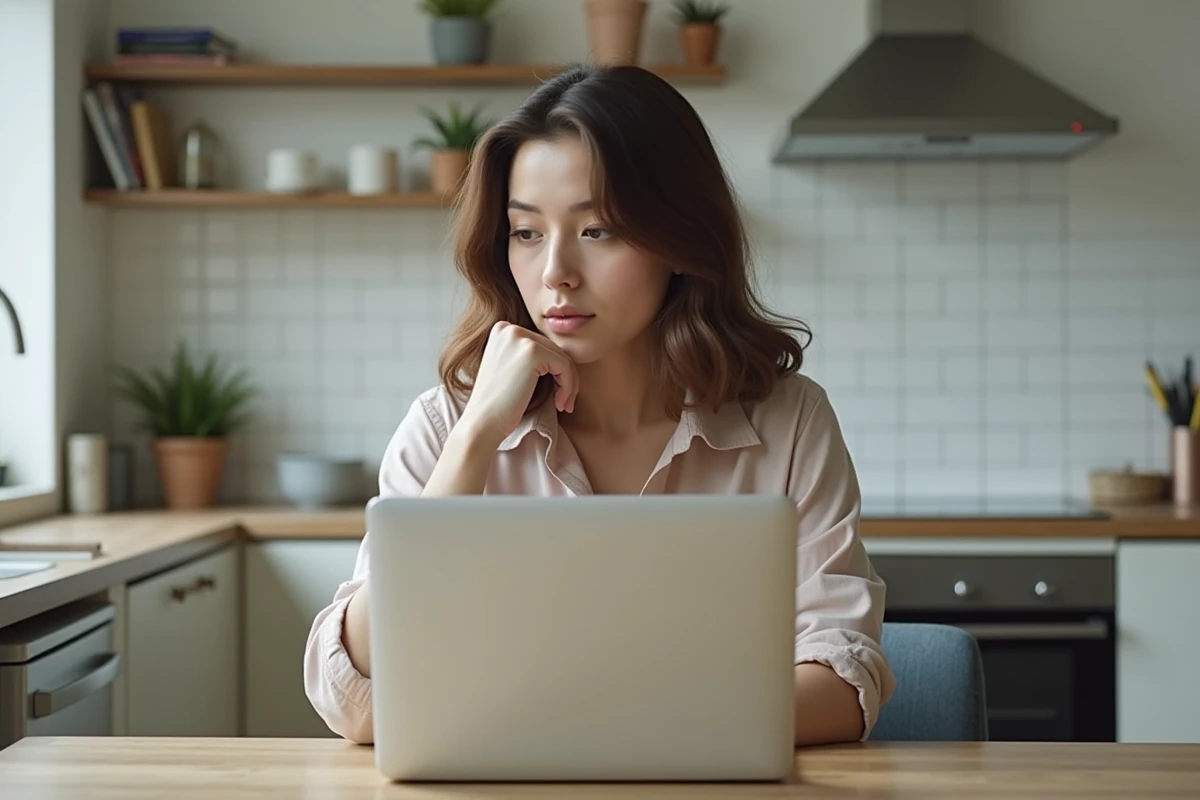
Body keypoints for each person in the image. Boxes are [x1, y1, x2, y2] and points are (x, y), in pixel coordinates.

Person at [303, 63, 895, 747]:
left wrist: (594, 724)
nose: (555, 271)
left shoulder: (789, 423)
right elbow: (352, 700)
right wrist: (473, 441)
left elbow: (845, 675)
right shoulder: (444, 427)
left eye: (598, 230)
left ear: (679, 238)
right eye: (526, 232)